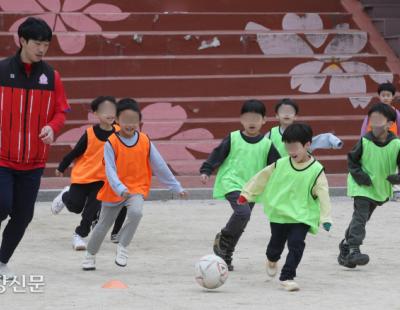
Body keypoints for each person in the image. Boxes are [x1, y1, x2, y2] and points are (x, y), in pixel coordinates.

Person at [82, 98, 187, 270]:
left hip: (135, 189)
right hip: (114, 191)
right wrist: (120, 188)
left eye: (134, 121)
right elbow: (110, 171)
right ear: (117, 120)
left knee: (136, 213)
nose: (130, 125)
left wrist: (177, 187)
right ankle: (90, 255)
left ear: (139, 121)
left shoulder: (145, 141)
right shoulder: (111, 142)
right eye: (125, 121)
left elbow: (160, 165)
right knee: (102, 227)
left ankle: (123, 247)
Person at [0, 17, 69, 279]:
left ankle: (2, 262)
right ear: (23, 41)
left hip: (34, 161)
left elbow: (60, 112)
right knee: (2, 205)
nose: (41, 49)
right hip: (2, 158)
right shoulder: (2, 70)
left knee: (23, 216)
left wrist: (53, 127)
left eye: (46, 44)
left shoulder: (52, 77)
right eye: (37, 43)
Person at [239, 123, 332, 291]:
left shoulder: (317, 170)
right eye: (288, 147)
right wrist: (247, 193)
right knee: (275, 247)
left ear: (307, 144)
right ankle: (271, 259)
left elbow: (324, 193)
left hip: (302, 216)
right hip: (279, 213)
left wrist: (325, 218)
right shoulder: (280, 164)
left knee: (296, 244)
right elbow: (261, 177)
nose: (291, 151)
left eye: (295, 147)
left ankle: (288, 276)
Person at [200, 99, 280, 271]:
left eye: (256, 118)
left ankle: (226, 254)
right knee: (242, 212)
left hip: (253, 187)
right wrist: (206, 170)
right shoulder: (233, 138)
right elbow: (217, 154)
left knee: (243, 220)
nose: (252, 122)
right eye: (248, 118)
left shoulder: (267, 144)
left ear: (264, 120)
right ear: (241, 120)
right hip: (232, 182)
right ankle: (224, 238)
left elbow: (278, 166)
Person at [51, 96, 126, 250]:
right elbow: (75, 152)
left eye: (112, 110)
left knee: (91, 209)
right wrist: (62, 166)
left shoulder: (120, 132)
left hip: (103, 181)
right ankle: (66, 195)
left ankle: (79, 235)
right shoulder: (89, 133)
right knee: (75, 207)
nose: (110, 114)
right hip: (83, 177)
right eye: (105, 111)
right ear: (96, 114)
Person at [339, 103, 400, 269]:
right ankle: (354, 250)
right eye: (372, 120)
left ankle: (345, 245)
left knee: (362, 218)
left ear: (390, 124)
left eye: (379, 120)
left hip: (379, 188)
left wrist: (397, 178)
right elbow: (352, 160)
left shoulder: (396, 144)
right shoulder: (364, 141)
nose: (374, 123)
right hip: (361, 185)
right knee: (360, 216)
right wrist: (361, 177)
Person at [360, 82, 400, 201]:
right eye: (383, 95)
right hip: (375, 145)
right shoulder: (373, 112)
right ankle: (377, 191)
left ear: (393, 97)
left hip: (392, 146)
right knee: (376, 167)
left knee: (393, 167)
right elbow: (365, 128)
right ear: (379, 96)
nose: (386, 97)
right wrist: (363, 142)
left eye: (388, 95)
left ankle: (396, 190)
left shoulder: (396, 113)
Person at [267, 98, 343, 156]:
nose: (286, 114)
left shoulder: (301, 132)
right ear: (277, 115)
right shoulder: (271, 134)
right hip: (278, 170)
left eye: (290, 112)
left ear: (296, 116)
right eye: (283, 112)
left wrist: (334, 141)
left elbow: (314, 143)